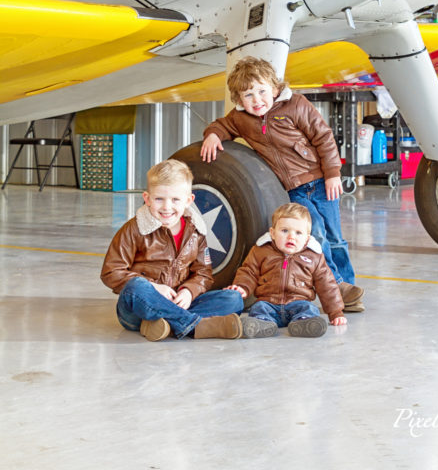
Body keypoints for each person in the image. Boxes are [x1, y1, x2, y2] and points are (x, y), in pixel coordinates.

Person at [200, 56, 364, 313]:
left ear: (274, 88)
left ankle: (348, 288)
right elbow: (220, 125)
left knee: (335, 236)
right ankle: (337, 287)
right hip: (293, 190)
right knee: (316, 233)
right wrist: (212, 135)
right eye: (248, 95)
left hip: (321, 180)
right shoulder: (241, 118)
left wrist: (333, 173)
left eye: (262, 91)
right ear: (239, 99)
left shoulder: (296, 104)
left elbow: (323, 136)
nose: (257, 100)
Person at [100, 158, 244, 341]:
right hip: (138, 309)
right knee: (137, 287)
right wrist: (154, 288)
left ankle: (163, 324)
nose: (167, 207)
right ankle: (194, 326)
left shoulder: (196, 232)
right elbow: (110, 272)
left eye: (175, 199)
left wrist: (188, 291)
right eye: (159, 199)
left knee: (233, 299)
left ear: (189, 200)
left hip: (178, 302)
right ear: (147, 199)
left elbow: (204, 274)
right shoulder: (134, 229)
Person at [226, 203, 346, 337]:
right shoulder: (261, 251)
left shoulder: (314, 256)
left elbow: (327, 285)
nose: (291, 237)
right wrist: (242, 287)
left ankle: (304, 323)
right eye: (284, 231)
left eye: (298, 233)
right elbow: (248, 271)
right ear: (272, 233)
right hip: (268, 302)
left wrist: (335, 312)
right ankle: (262, 323)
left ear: (307, 238)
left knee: (309, 309)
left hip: (299, 302)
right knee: (258, 308)